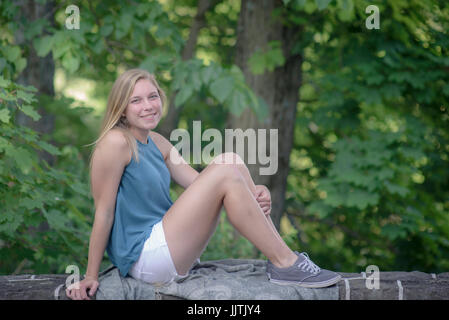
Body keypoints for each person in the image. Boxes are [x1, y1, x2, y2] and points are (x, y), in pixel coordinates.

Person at [66, 69, 341, 300]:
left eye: (153, 96)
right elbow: (103, 212)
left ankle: (284, 259)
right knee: (225, 167)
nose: (148, 105)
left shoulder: (158, 142)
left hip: (169, 247)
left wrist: (255, 191)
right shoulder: (115, 143)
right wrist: (90, 275)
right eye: (136, 100)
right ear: (122, 109)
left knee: (230, 160)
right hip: (145, 256)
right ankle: (286, 263)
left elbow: (202, 186)